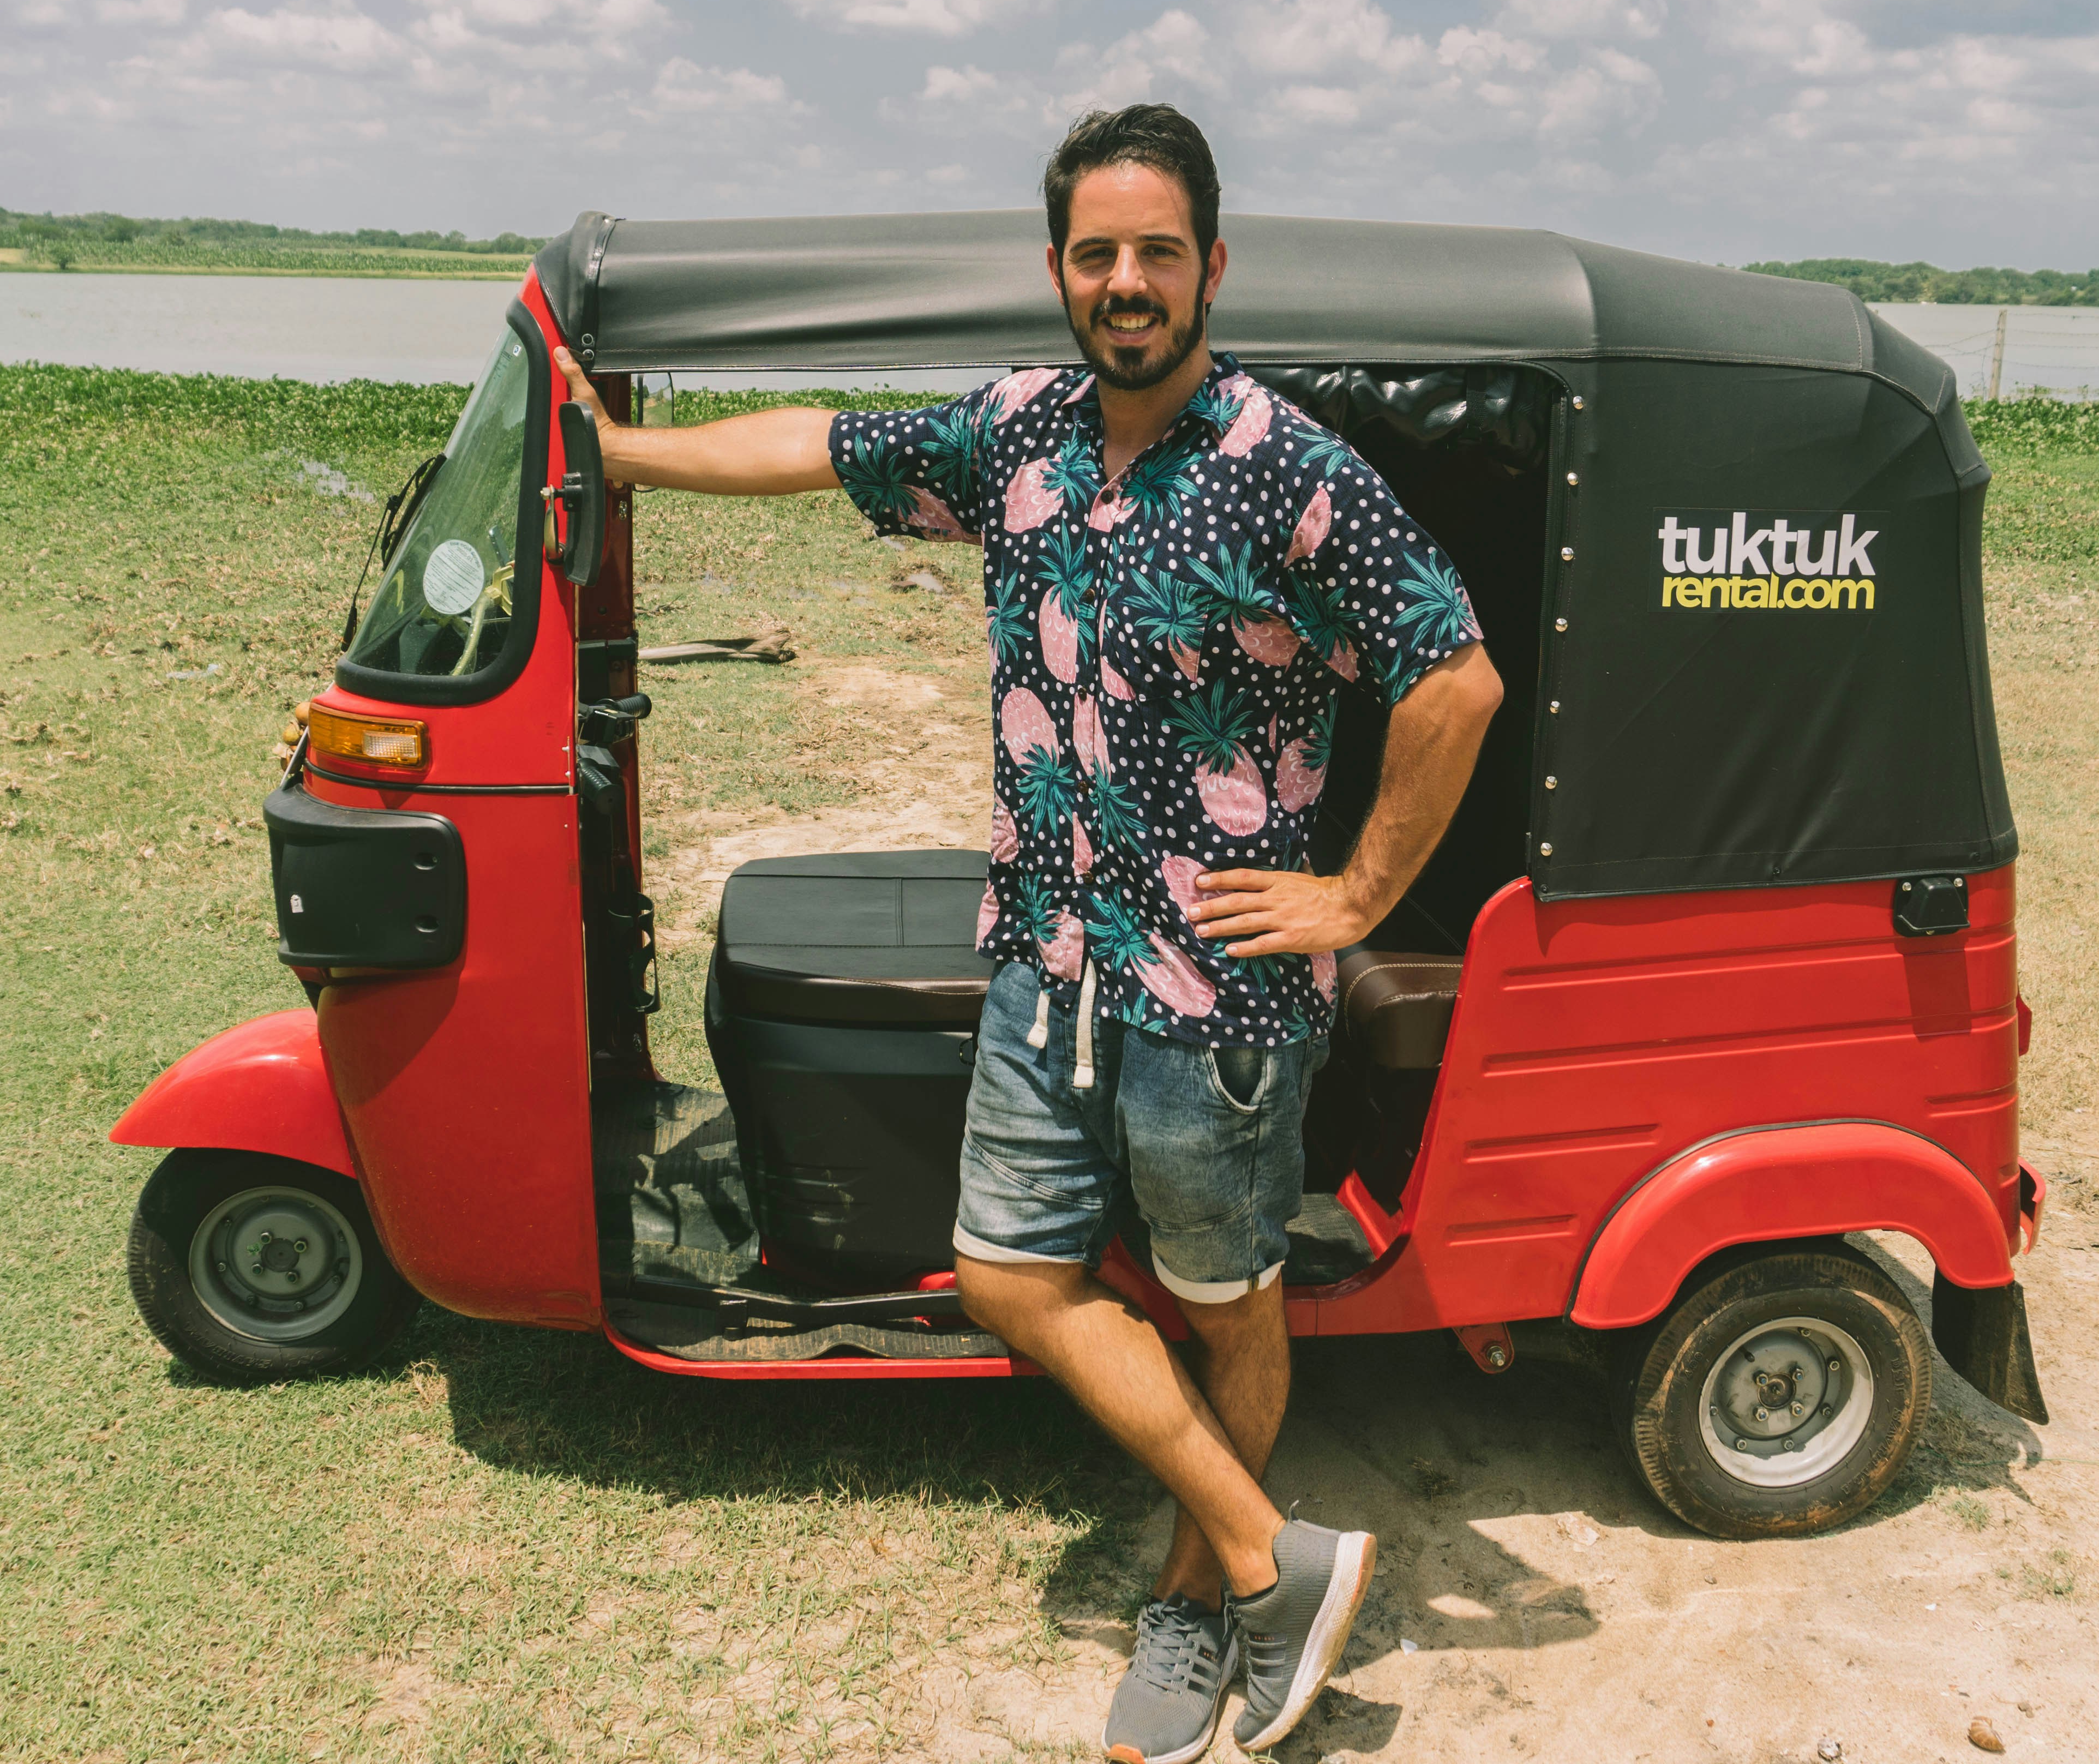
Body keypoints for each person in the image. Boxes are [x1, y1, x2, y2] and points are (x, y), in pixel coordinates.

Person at [555, 103, 1502, 1762]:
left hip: (1214, 996)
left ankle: (1209, 1605)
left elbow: (1457, 673)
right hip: (1045, 962)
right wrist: (615, 455)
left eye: (1156, 252)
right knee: (1005, 1276)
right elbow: (818, 443)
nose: (1125, 282)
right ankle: (1281, 1560)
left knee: (1228, 1303)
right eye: (1094, 253)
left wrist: (1352, 900)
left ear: (1213, 264)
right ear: (1060, 270)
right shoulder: (1019, 434)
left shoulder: (1288, 470)